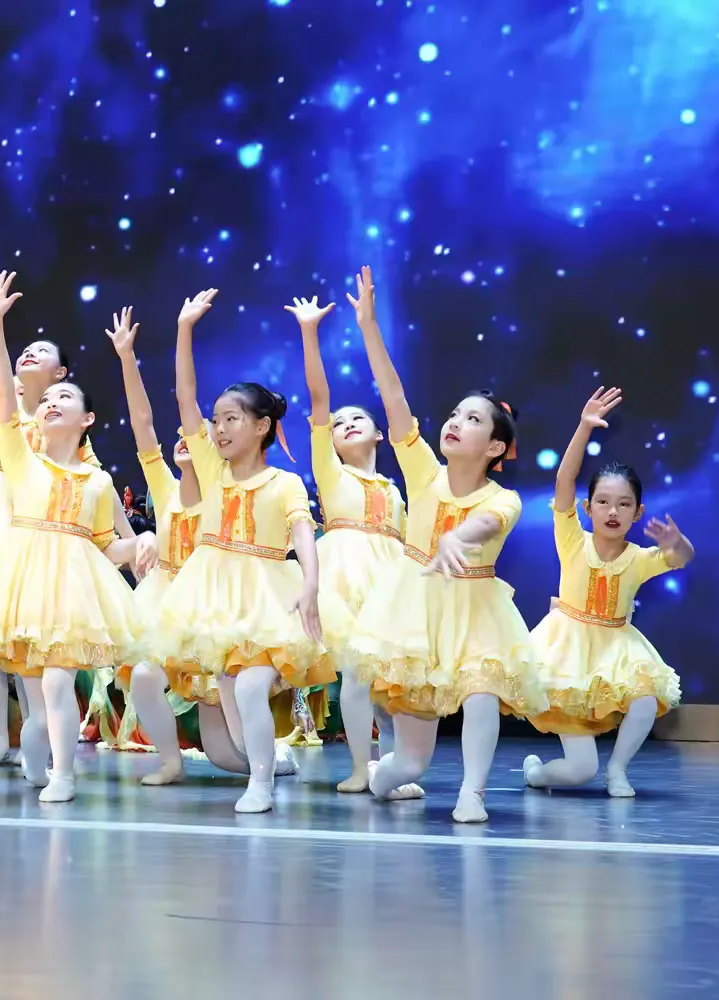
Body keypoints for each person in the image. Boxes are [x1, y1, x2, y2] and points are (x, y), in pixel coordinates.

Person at [0, 232, 148, 766]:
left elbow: (95, 490)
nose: (29, 353)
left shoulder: (67, 432)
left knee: (40, 648)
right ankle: (5, 740)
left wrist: (133, 544)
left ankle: (42, 737)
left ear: (62, 375)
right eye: (25, 350)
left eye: (44, 353)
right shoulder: (2, 407)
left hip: (42, 527)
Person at [342, 266, 544, 823]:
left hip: (476, 612)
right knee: (410, 765)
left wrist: (458, 534)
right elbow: (393, 396)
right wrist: (369, 326)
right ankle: (384, 776)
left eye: (472, 419)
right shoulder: (423, 471)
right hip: (415, 610)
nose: (455, 422)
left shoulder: (505, 498)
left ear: (495, 446)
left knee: (482, 689)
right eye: (455, 414)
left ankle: (472, 793)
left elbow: (487, 524)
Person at [153, 289, 347, 813]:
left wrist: (311, 582)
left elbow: (302, 531)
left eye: (231, 419)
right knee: (228, 687)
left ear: (262, 426)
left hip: (266, 597)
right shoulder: (211, 468)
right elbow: (184, 396)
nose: (218, 428)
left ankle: (260, 782)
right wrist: (184, 328)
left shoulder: (284, 482)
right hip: (213, 596)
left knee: (248, 686)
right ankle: (265, 763)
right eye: (216, 420)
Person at [522, 388, 693, 797]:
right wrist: (584, 427)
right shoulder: (572, 540)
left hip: (616, 648)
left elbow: (683, 558)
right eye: (603, 502)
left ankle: (618, 770)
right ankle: (537, 774)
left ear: (638, 513)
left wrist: (677, 542)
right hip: (567, 649)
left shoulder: (639, 558)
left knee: (646, 697)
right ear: (588, 508)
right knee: (580, 770)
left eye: (623, 504)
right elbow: (564, 480)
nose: (613, 511)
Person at [284, 294, 421, 797]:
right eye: (339, 425)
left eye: (357, 419)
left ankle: (391, 767)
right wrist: (309, 332)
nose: (346, 425)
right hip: (346, 575)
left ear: (379, 435)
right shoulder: (332, 473)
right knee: (360, 676)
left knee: (391, 680)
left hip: (392, 578)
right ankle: (363, 766)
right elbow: (319, 399)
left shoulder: (394, 490)